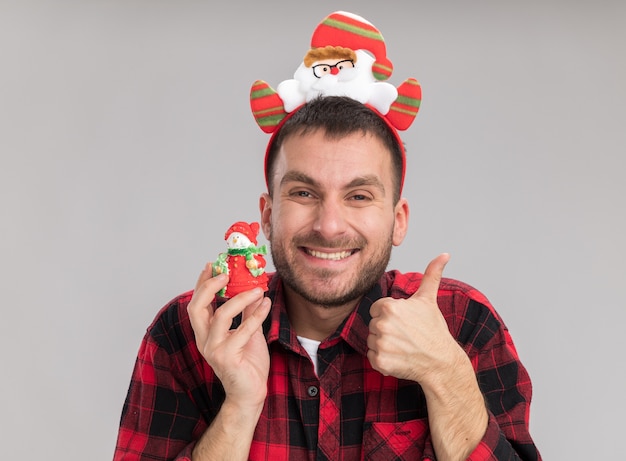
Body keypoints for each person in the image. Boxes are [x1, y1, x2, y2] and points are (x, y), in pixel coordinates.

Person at [114, 11, 541, 461]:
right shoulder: (188, 333)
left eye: (358, 196)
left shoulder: (460, 322)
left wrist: (446, 373)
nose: (329, 225)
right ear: (267, 213)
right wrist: (240, 406)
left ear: (398, 219)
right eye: (303, 192)